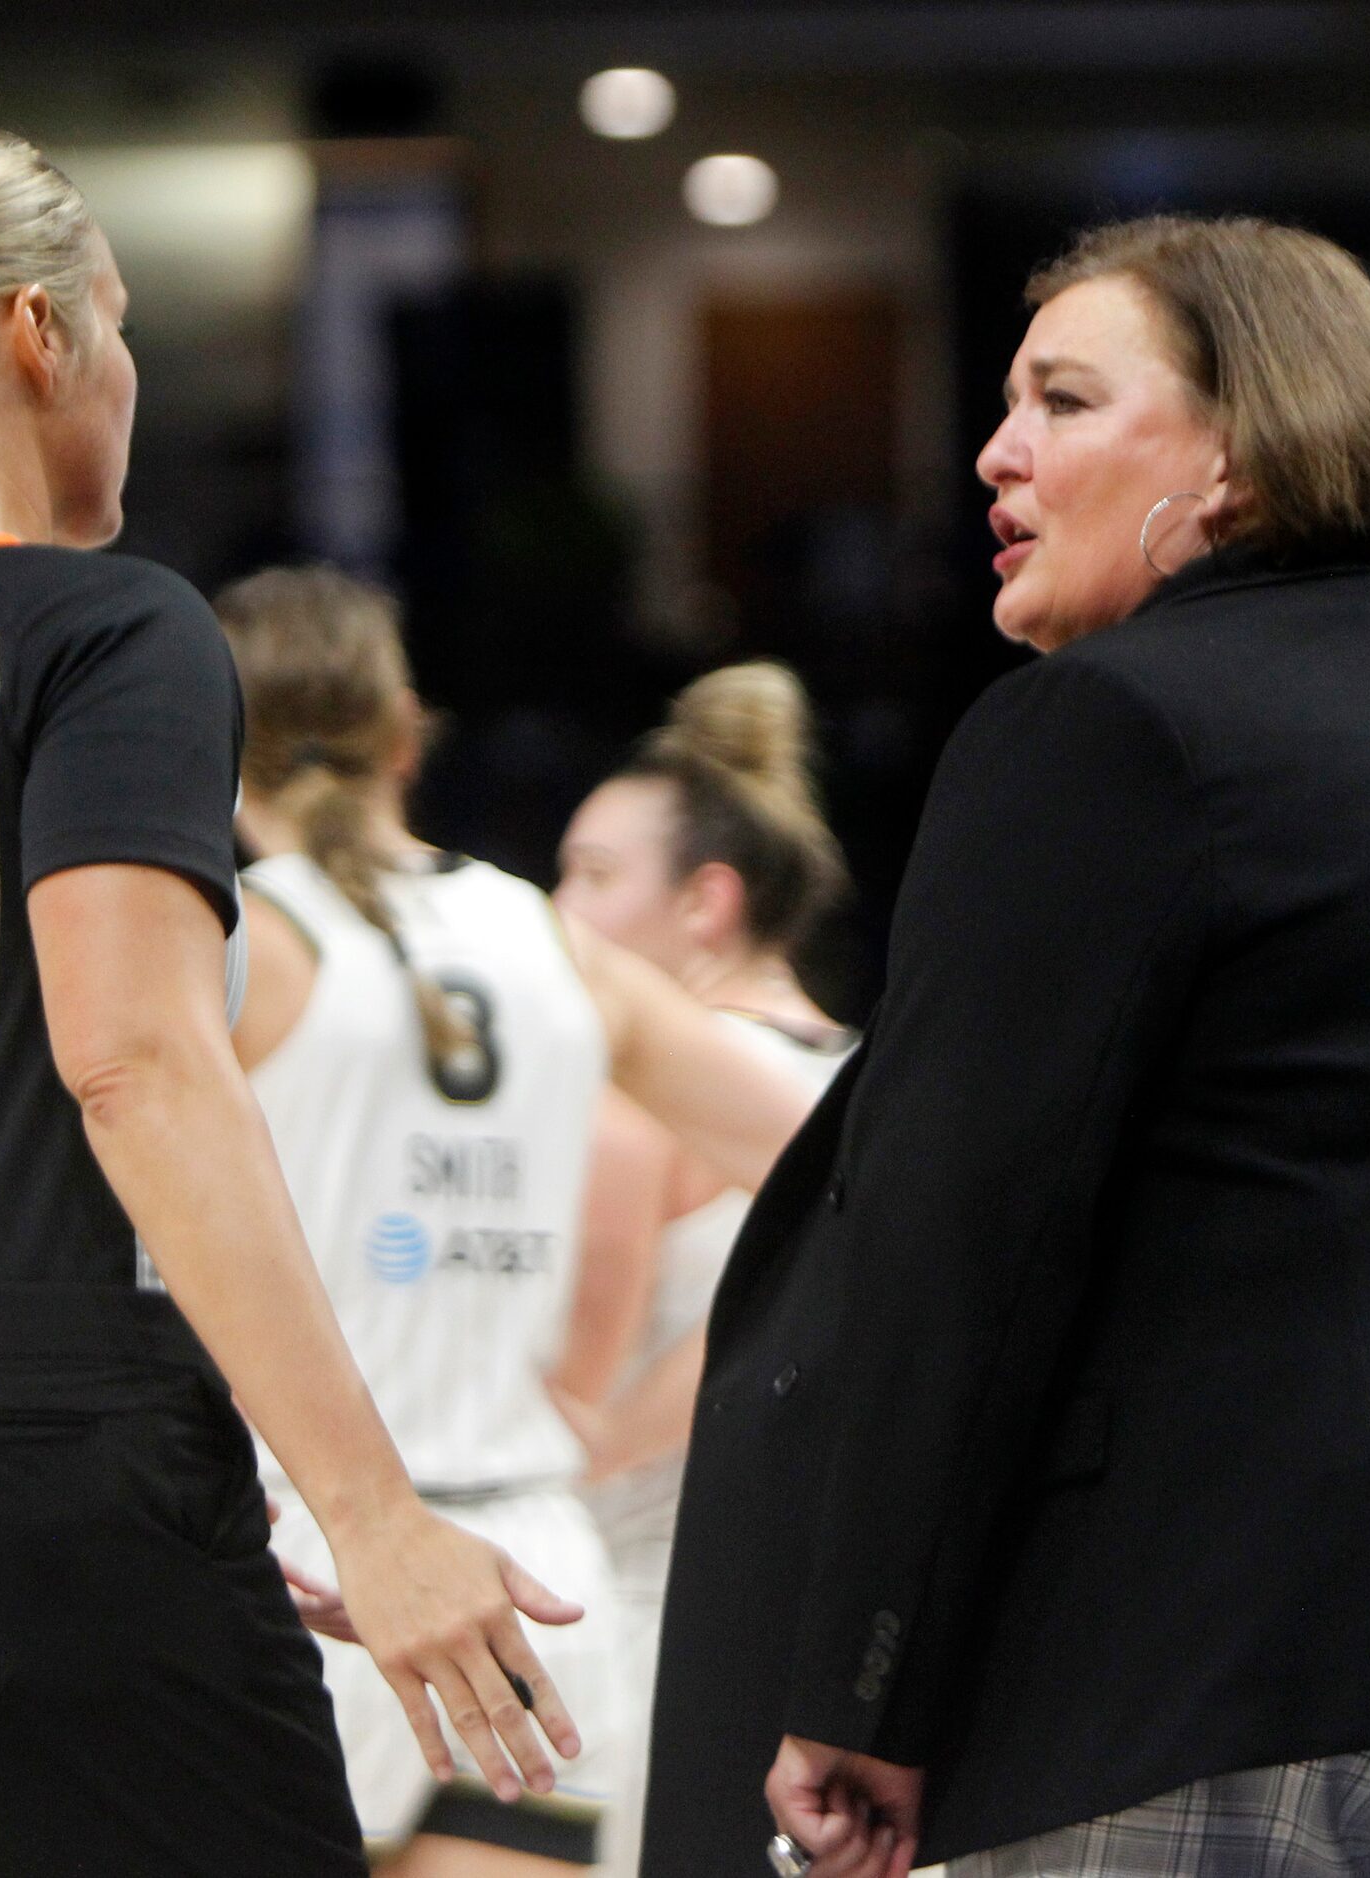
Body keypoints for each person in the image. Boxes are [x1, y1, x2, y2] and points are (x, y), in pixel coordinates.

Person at [639, 211, 1370, 1878]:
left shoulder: (1103, 723)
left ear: (1237, 459)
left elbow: (955, 1226)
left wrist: (861, 1673)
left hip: (1275, 1657)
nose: (993, 454)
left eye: (1060, 401)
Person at [0, 125, 584, 1877]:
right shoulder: (101, 631)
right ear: (40, 334)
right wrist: (369, 1511)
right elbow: (134, 1059)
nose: (127, 370)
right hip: (24, 1483)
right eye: (122, 324)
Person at [213, 567, 819, 1875]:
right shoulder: (557, 943)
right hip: (528, 1572)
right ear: (408, 735)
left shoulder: (223, 946)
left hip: (303, 1577)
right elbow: (831, 1163)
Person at [548, 660, 856, 1878]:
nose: (557, 909)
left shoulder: (646, 1100)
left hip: (638, 1627)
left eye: (593, 875)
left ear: (707, 902)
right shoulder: (863, 1080)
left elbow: (578, 1411)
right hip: (812, 1640)